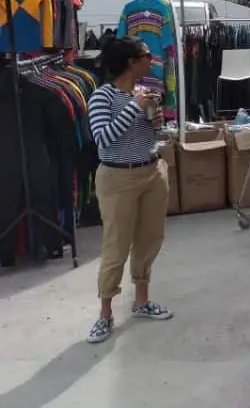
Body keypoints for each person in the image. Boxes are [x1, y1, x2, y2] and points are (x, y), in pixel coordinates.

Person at [86, 36, 173, 344]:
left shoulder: (144, 93)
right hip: (118, 178)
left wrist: (154, 120)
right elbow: (104, 139)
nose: (152, 59)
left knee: (150, 239)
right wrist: (134, 108)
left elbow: (150, 134)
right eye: (147, 55)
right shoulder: (102, 98)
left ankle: (142, 300)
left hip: (150, 171)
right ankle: (105, 313)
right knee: (116, 245)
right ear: (131, 62)